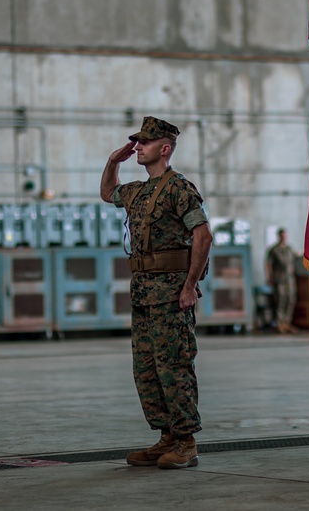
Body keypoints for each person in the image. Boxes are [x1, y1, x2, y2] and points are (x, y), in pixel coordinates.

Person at [100, 116, 213, 469]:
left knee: (174, 367)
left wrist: (190, 286)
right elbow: (107, 193)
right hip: (144, 293)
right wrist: (113, 162)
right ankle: (166, 436)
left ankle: (186, 441)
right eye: (137, 142)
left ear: (164, 149)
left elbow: (203, 235)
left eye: (145, 143)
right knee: (146, 369)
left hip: (171, 293)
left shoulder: (179, 188)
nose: (138, 147)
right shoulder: (138, 191)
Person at [265, 228, 299, 333]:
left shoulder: (289, 249)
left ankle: (287, 322)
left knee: (291, 300)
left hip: (290, 280)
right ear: (279, 236)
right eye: (282, 236)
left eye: (285, 236)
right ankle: (280, 323)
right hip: (279, 280)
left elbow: (296, 256)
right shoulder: (274, 250)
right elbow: (268, 264)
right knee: (280, 301)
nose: (284, 238)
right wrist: (269, 278)